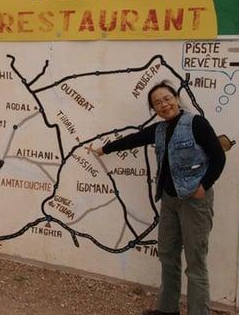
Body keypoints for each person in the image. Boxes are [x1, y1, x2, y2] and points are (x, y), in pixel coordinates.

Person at [94, 81, 226, 315]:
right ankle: (167, 310)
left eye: (167, 99)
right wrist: (105, 149)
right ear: (154, 108)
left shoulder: (196, 123)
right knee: (167, 255)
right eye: (157, 103)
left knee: (195, 263)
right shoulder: (160, 129)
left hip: (194, 201)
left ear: (176, 98)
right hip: (169, 200)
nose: (164, 105)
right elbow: (133, 139)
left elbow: (218, 157)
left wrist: (203, 186)